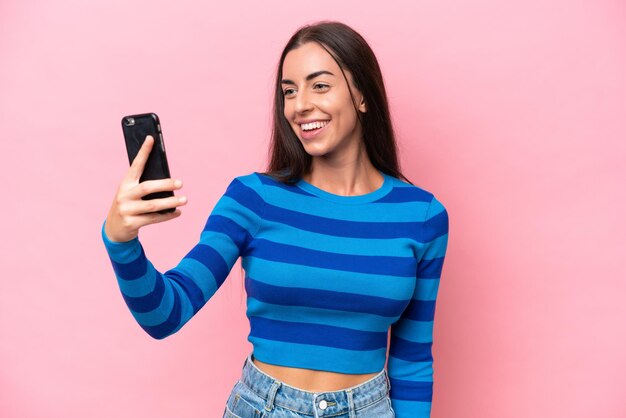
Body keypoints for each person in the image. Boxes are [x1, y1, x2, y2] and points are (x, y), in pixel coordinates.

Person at [101, 20, 449, 418]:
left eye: (320, 85)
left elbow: (413, 360)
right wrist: (120, 241)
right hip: (262, 407)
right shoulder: (253, 198)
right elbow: (166, 313)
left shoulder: (421, 216)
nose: (299, 105)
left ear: (363, 96)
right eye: (289, 91)